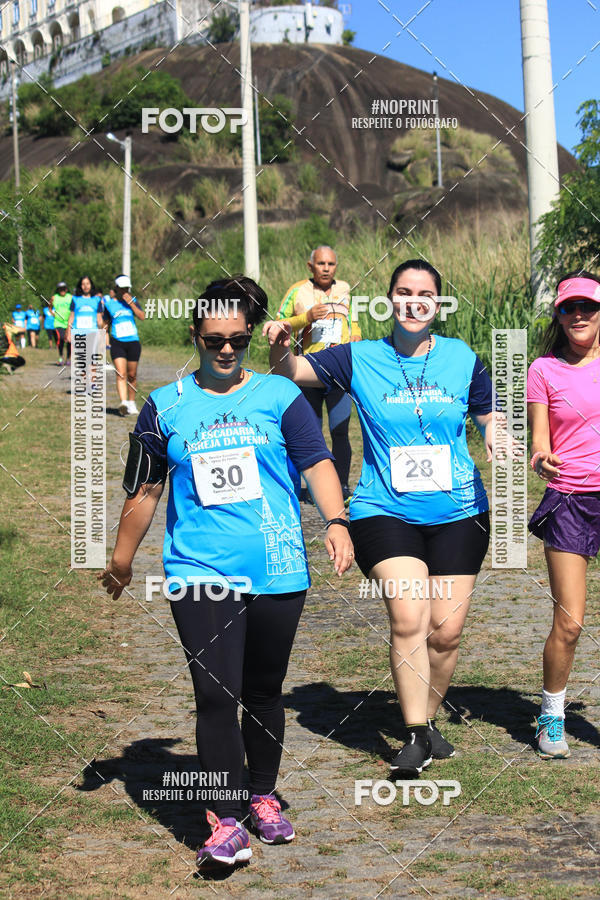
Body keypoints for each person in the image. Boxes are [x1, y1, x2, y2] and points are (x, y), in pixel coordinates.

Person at [99, 276, 353, 868]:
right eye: (215, 340)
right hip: (199, 568)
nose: (227, 350)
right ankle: (226, 818)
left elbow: (316, 461)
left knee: (263, 691)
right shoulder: (165, 406)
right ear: (195, 335)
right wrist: (121, 559)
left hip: (277, 567)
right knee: (216, 692)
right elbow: (146, 488)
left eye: (238, 339)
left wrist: (337, 521)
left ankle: (262, 794)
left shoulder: (279, 396)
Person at [265, 258, 494, 777]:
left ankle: (427, 721)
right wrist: (281, 343)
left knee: (445, 632)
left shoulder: (462, 357)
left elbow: (487, 412)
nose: (414, 302)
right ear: (390, 300)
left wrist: (497, 434)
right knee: (410, 617)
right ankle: (414, 735)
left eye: (425, 294)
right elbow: (291, 372)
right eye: (404, 292)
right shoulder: (359, 357)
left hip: (459, 511)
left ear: (438, 303)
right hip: (383, 509)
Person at [527, 270, 600, 760]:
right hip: (570, 499)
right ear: (558, 315)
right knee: (570, 622)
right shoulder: (544, 369)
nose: (578, 315)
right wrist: (540, 457)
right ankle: (551, 715)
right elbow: (540, 441)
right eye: (568, 308)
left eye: (588, 307)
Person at [276, 245, 361, 502]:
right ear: (310, 266)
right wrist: (307, 317)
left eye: (331, 264)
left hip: (339, 373)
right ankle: (313, 487)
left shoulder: (345, 289)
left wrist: (356, 335)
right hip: (308, 371)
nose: (326, 268)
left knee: (340, 431)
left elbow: (353, 321)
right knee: (310, 433)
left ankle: (341, 486)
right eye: (321, 264)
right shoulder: (297, 291)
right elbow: (279, 323)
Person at [101, 275, 145, 416]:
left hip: (133, 342)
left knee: (132, 375)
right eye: (122, 288)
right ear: (117, 288)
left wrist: (131, 304)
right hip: (117, 342)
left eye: (127, 288)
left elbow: (142, 316)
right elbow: (105, 324)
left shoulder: (133, 301)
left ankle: (131, 403)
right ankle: (123, 403)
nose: (125, 291)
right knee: (121, 373)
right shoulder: (109, 304)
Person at [51, 282, 73, 365]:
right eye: (60, 289)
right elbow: (49, 306)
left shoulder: (70, 297)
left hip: (69, 322)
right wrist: (53, 314)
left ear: (66, 289)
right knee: (61, 338)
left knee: (69, 340)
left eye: (63, 289)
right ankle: (60, 357)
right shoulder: (54, 297)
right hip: (58, 323)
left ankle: (68, 358)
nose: (62, 290)